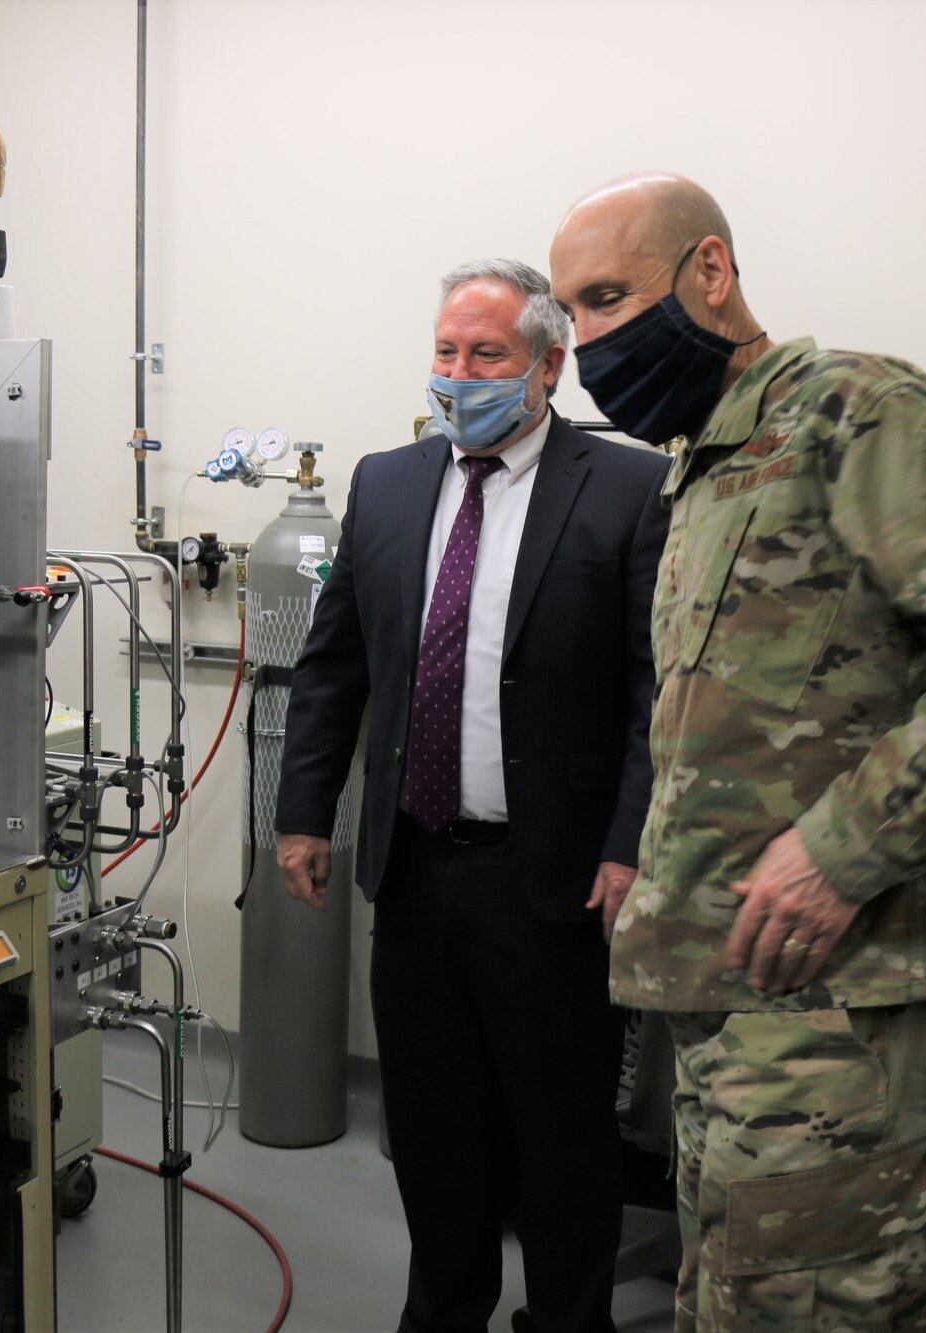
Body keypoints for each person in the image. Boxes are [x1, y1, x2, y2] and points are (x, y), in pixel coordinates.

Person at [548, 175, 926, 1331]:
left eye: (609, 297)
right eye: (573, 315)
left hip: (849, 1022)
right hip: (732, 1012)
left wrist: (843, 851)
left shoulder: (848, 409)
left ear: (709, 271)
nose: (591, 340)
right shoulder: (702, 469)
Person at [276, 257, 669, 1333]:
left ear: (547, 365)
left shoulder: (630, 488)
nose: (458, 374)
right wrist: (304, 812)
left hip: (549, 878)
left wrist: (629, 841)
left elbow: (654, 690)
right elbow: (334, 664)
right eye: (445, 352)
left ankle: (567, 1319)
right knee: (433, 1130)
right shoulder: (388, 482)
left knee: (560, 1136)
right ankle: (442, 1311)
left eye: (484, 354)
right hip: (412, 869)